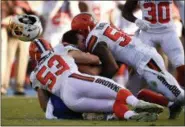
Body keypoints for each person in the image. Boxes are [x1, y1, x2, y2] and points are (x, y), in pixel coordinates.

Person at [71, 12, 184, 119]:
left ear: (84, 30)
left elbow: (112, 67)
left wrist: (99, 85)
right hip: (143, 57)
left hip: (146, 61)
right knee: (141, 93)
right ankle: (172, 106)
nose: (78, 36)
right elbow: (117, 56)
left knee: (177, 95)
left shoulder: (93, 39)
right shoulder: (102, 25)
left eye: (78, 32)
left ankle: (176, 101)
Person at [27, 36, 164, 121]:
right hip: (74, 80)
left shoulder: (34, 75)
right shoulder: (60, 50)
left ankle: (131, 115)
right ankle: (137, 103)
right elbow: (93, 59)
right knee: (114, 87)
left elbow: (44, 105)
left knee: (110, 106)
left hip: (69, 99)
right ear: (49, 47)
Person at [122, 0, 185, 87]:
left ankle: (179, 95)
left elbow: (182, 5)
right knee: (139, 67)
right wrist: (136, 21)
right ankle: (131, 95)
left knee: (181, 64)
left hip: (168, 32)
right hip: (148, 33)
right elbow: (125, 11)